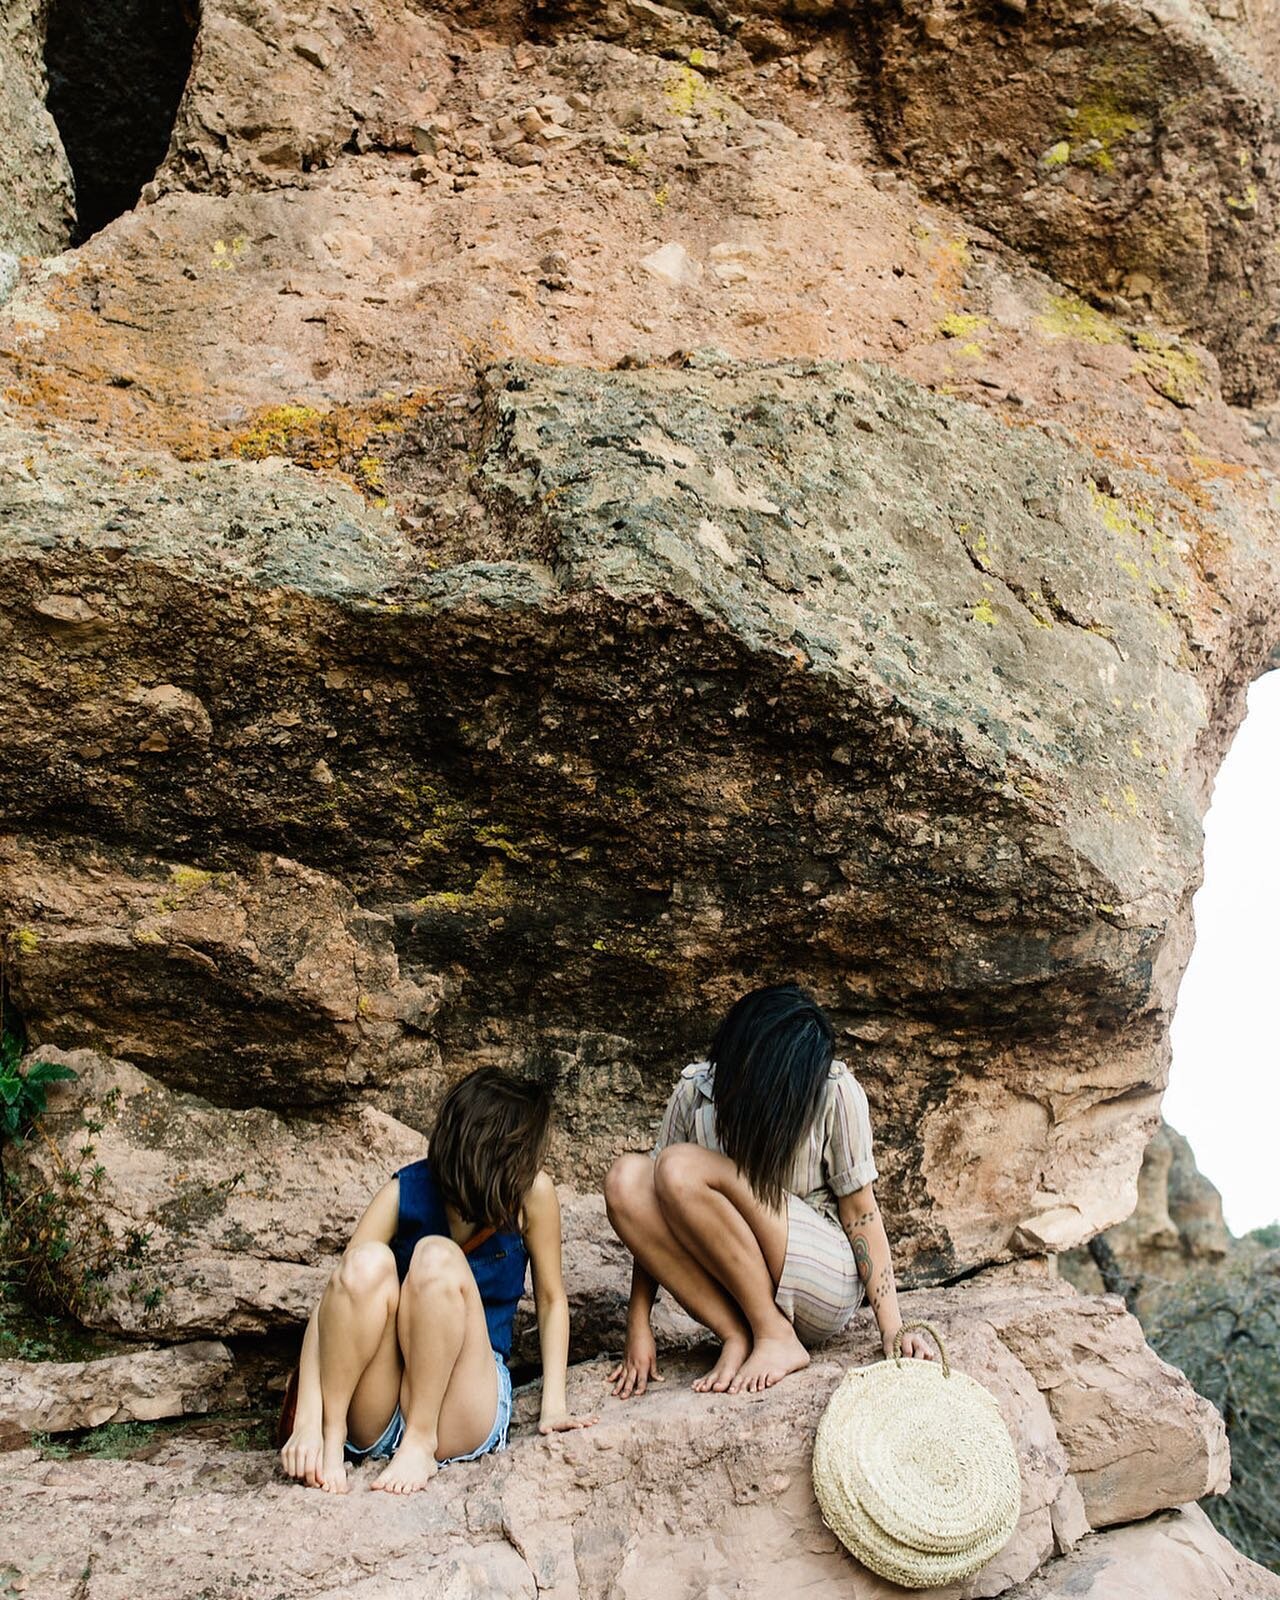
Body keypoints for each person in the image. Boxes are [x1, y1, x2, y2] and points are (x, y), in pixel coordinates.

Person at [604, 984, 934, 1398]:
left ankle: (775, 1335)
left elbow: (861, 1213)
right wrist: (638, 1325)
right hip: (734, 1289)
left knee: (677, 1166)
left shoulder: (833, 1088)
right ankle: (737, 1335)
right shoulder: (696, 1090)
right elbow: (648, 1221)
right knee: (627, 1179)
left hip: (820, 1278)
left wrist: (894, 1327)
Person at [280, 1067, 596, 1494]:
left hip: (464, 1403)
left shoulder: (532, 1195)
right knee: (365, 1263)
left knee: (435, 1257)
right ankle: (334, 1441)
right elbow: (335, 1300)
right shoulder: (403, 1191)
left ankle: (419, 1443)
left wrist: (553, 1407)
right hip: (383, 1404)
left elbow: (552, 1300)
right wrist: (308, 1425)